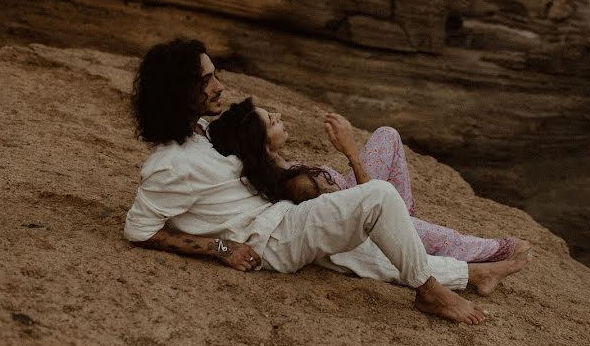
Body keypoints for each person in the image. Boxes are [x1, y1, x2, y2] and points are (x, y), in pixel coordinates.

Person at [124, 38, 530, 325]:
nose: (219, 86)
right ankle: (429, 291)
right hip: (273, 240)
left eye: (215, 74)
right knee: (379, 197)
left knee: (365, 253)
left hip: (278, 221)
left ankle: (471, 274)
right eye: (206, 80)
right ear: (179, 92)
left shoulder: (198, 130)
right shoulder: (170, 163)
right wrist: (220, 247)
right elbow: (140, 230)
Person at [207, 98, 530, 263]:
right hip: (369, 219)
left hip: (364, 197)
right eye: (271, 121)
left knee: (387, 135)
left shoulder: (281, 167)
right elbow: (361, 207)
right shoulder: (295, 184)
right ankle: (485, 250)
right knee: (454, 241)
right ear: (261, 142)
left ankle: (407, 218)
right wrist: (350, 153)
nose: (278, 116)